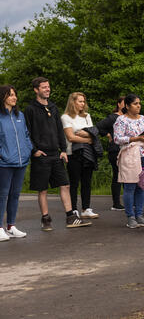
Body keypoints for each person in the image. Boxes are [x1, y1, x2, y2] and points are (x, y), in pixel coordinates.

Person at [24, 77, 91, 230]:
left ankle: (70, 217)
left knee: (65, 185)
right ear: (36, 90)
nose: (47, 89)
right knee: (43, 189)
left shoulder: (53, 108)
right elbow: (26, 132)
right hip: (41, 155)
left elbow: (60, 131)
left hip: (56, 154)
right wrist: (34, 151)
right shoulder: (30, 109)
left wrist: (63, 150)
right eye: (44, 87)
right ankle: (46, 220)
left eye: (48, 87)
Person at [114, 93, 144, 229]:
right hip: (130, 155)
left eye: (139, 103)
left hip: (143, 155)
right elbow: (117, 139)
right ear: (128, 106)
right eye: (135, 104)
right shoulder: (121, 120)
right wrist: (135, 139)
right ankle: (130, 216)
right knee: (130, 187)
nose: (138, 106)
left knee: (141, 187)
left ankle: (139, 215)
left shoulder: (143, 119)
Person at [0, 85, 33, 241]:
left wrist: (28, 150)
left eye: (15, 95)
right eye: (10, 95)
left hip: (21, 162)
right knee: (2, 195)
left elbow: (26, 135)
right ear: (3, 97)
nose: (14, 97)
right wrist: (2, 155)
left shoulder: (20, 115)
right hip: (4, 163)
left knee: (15, 195)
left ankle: (11, 226)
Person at [61, 92, 99, 219]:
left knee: (86, 182)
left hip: (88, 153)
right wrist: (87, 139)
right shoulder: (65, 117)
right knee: (74, 182)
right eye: (80, 101)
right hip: (73, 154)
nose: (83, 104)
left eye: (84, 101)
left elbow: (93, 133)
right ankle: (73, 209)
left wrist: (84, 135)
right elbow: (71, 137)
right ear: (73, 102)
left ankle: (86, 208)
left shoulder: (87, 116)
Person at [96, 96, 125, 210]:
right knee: (117, 176)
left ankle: (129, 201)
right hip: (116, 150)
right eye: (124, 102)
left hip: (128, 150)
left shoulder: (130, 117)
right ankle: (116, 203)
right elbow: (98, 126)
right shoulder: (113, 117)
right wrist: (108, 134)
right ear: (119, 104)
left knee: (128, 177)